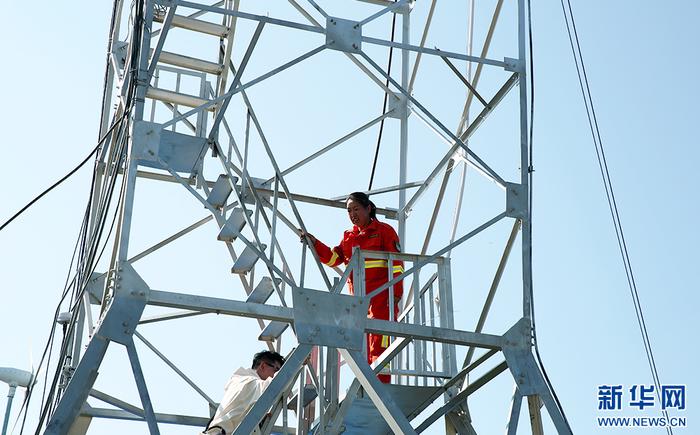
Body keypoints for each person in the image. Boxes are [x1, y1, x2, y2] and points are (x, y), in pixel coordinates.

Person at [300, 192, 404, 383]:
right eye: (349, 210)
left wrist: (396, 293)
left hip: (382, 296)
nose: (352, 214)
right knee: (360, 343)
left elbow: (397, 264)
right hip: (358, 301)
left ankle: (381, 383)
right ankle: (365, 382)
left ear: (368, 208)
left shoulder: (384, 230)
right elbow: (334, 259)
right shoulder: (349, 237)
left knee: (380, 341)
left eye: (356, 209)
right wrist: (315, 243)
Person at [203, 351, 285, 434]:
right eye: (276, 370)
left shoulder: (239, 380)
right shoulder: (251, 382)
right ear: (263, 366)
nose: (275, 374)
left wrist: (260, 416)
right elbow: (273, 386)